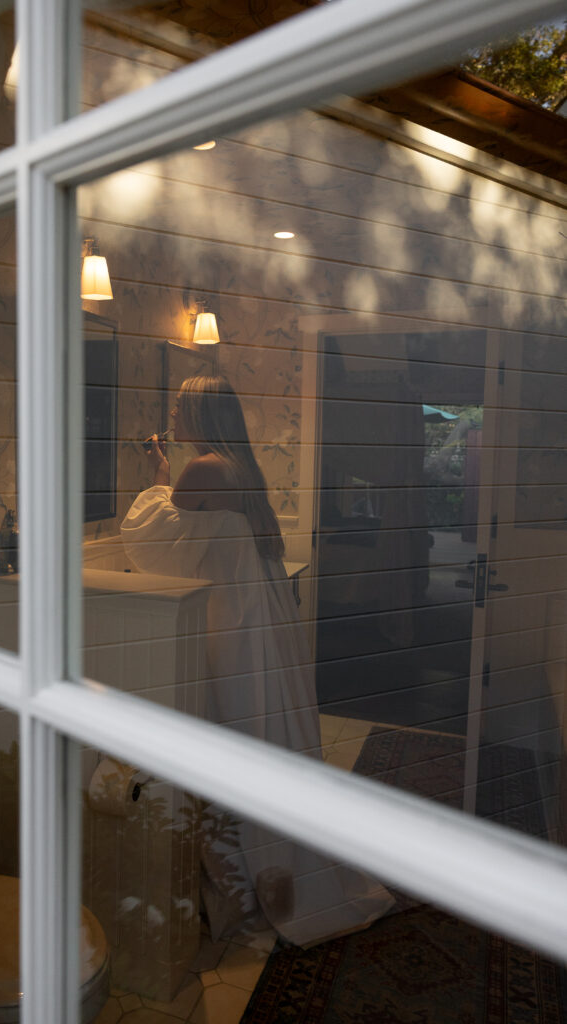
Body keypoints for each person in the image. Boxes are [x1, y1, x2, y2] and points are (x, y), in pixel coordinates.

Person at [120, 375, 393, 945]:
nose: (171, 412)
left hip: (231, 621)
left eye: (178, 404)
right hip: (258, 617)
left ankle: (240, 875)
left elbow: (153, 540)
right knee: (263, 726)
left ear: (200, 412)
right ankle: (267, 864)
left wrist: (157, 477)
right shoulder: (239, 468)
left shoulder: (203, 470)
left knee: (234, 727)